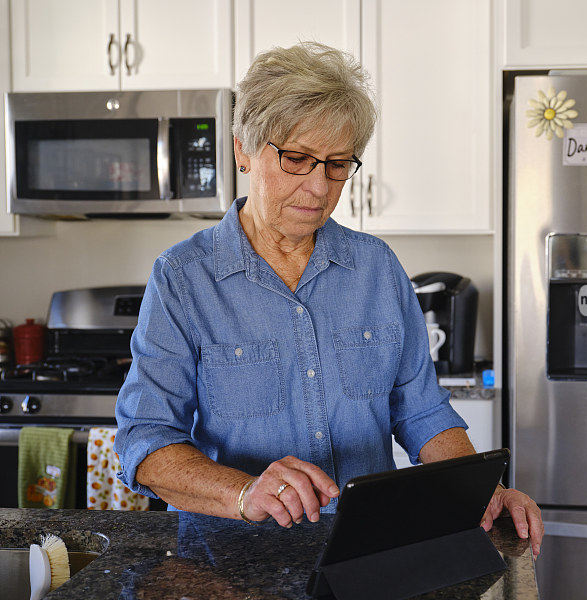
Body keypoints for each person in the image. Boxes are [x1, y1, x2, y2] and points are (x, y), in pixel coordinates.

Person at [114, 42, 543, 556]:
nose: (318, 186)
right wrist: (245, 492)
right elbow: (145, 442)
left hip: (369, 554)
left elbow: (421, 410)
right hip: (230, 562)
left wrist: (483, 491)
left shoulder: (376, 268)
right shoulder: (183, 278)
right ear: (243, 151)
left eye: (338, 165)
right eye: (296, 159)